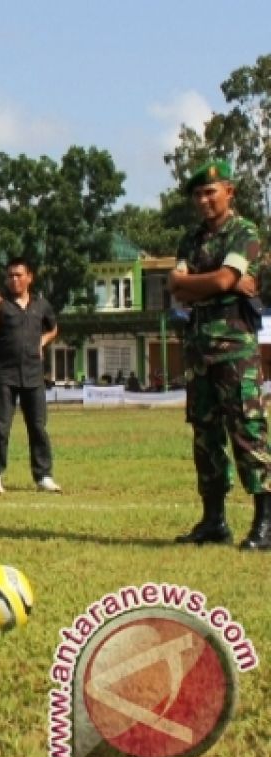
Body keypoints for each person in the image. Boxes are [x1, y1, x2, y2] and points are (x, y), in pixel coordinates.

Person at [169, 159, 270, 550]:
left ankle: (265, 522)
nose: (203, 200)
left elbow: (225, 278)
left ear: (230, 191)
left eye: (210, 192)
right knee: (205, 434)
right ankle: (214, 521)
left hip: (235, 347)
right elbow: (180, 288)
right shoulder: (191, 240)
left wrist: (198, 282)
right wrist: (215, 283)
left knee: (247, 430)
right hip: (198, 348)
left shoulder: (244, 233)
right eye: (197, 194)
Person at [0, 257, 61, 495]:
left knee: (38, 427)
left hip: (34, 375)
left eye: (18, 275)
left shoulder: (41, 305)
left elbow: (54, 328)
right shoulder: (2, 304)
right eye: (10, 276)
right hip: (6, 374)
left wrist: (43, 340)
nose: (14, 279)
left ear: (29, 277)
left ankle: (43, 476)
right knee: (1, 427)